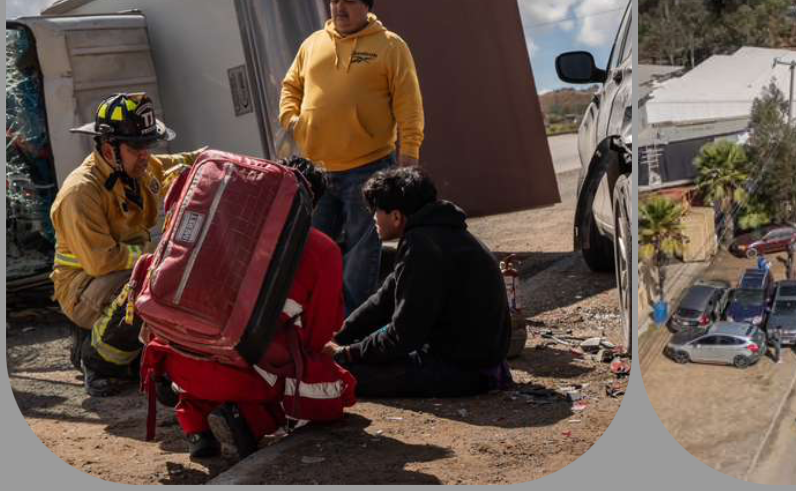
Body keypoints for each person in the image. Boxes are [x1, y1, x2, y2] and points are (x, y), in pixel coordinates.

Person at [142, 158, 357, 460]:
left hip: (174, 360)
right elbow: (319, 332)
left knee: (218, 366)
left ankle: (194, 423)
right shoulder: (322, 249)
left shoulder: (221, 226)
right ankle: (244, 417)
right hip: (243, 370)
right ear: (313, 203)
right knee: (337, 386)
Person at [279, 0, 425, 314]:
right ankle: (309, 318)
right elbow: (291, 86)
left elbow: (409, 104)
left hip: (369, 167)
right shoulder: (312, 44)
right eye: (335, 0)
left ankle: (348, 328)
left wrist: (409, 157)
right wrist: (293, 120)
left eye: (349, 1)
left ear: (367, 6)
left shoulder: (390, 46)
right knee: (311, 246)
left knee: (362, 252)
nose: (340, 8)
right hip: (317, 170)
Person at [49, 93, 200, 397]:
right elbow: (101, 262)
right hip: (83, 288)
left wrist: (218, 161)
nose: (146, 155)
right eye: (137, 148)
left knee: (163, 279)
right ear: (109, 149)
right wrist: (158, 256)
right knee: (149, 282)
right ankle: (99, 365)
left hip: (115, 277)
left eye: (148, 146)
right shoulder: (80, 193)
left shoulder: (135, 169)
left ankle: (118, 345)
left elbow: (184, 161)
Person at [328, 166, 513, 398]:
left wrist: (346, 354)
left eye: (376, 211)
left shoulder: (421, 245)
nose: (373, 218)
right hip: (477, 358)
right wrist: (338, 335)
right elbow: (384, 299)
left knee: (339, 373)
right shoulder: (438, 232)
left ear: (396, 216)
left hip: (463, 370)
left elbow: (403, 336)